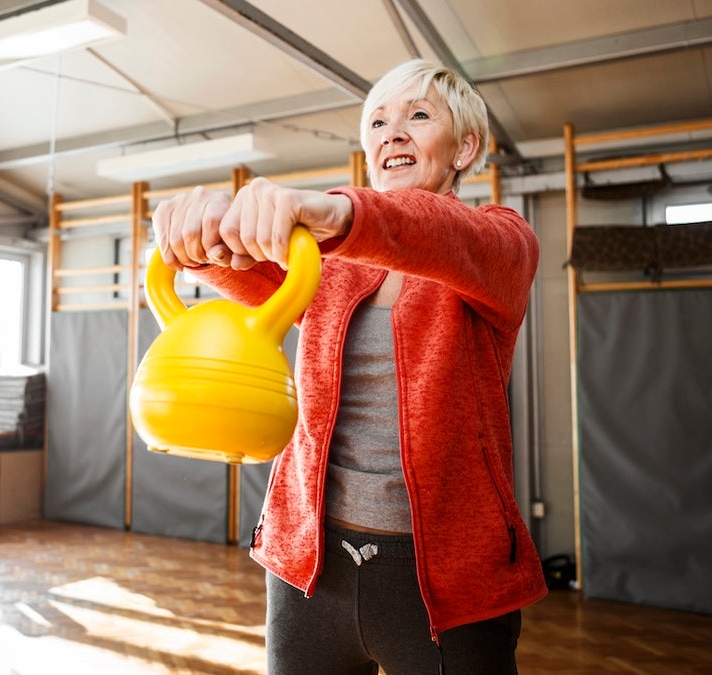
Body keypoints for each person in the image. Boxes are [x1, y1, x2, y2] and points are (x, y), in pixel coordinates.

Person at [151, 59, 545, 674]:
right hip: (310, 570)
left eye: (419, 115)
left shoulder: (499, 242)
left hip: (447, 584)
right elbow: (238, 266)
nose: (393, 133)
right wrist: (199, 236)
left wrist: (338, 214)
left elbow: (438, 231)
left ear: (465, 148)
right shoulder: (327, 263)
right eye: (378, 122)